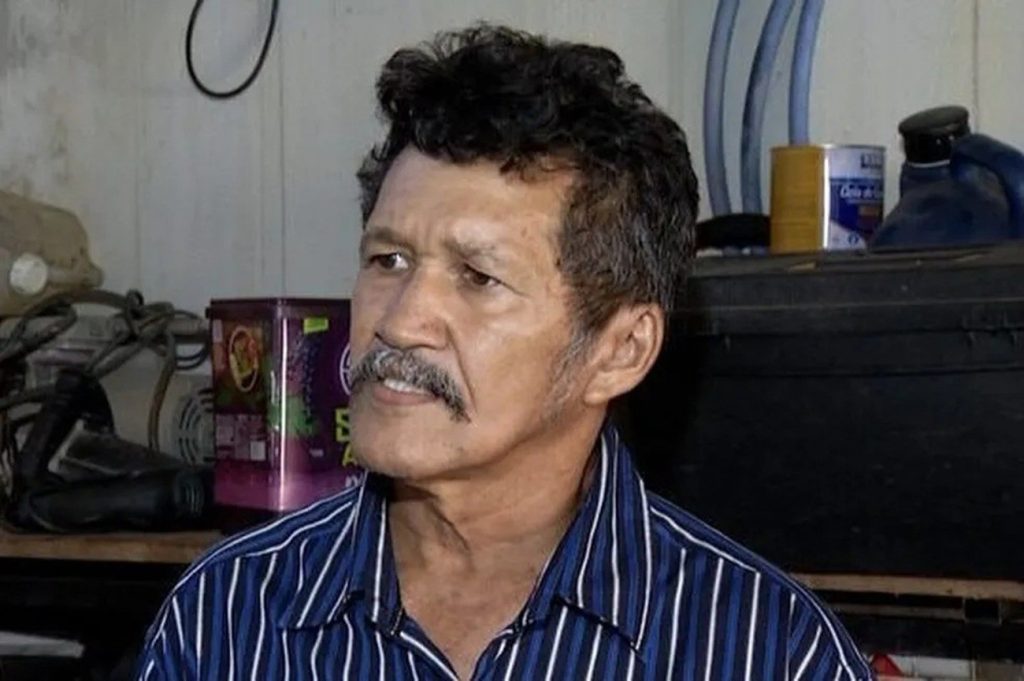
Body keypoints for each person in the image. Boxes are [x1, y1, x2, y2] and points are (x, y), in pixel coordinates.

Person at [137, 25, 872, 680]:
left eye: (478, 277)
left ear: (621, 349)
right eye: (389, 260)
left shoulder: (766, 651)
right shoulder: (227, 619)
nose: (402, 321)